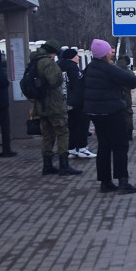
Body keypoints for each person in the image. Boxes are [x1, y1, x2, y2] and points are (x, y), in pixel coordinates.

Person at [83, 39, 136, 194]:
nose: (110, 53)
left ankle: (105, 182)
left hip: (95, 113)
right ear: (104, 54)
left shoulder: (90, 68)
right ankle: (123, 181)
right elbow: (132, 80)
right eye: (109, 51)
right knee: (120, 146)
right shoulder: (108, 68)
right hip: (112, 112)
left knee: (104, 146)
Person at [31, 40, 82, 176]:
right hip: (53, 105)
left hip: (41, 105)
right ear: (53, 51)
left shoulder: (34, 61)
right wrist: (60, 74)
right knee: (62, 133)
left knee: (47, 135)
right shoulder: (48, 62)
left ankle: (47, 165)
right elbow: (55, 81)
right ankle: (63, 165)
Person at [58, 48, 96, 159]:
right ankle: (82, 148)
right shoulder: (72, 67)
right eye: (76, 56)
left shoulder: (60, 66)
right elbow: (77, 85)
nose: (78, 58)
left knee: (72, 126)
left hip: (66, 102)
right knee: (83, 125)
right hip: (77, 102)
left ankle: (72, 149)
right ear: (72, 57)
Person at [0, 48, 16, 157]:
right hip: (1, 102)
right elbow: (3, 82)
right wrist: (7, 81)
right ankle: (6, 149)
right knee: (5, 127)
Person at [116, 55, 134, 141]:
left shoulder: (113, 69)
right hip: (126, 96)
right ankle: (129, 133)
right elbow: (134, 82)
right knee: (128, 114)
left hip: (115, 97)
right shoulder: (128, 72)